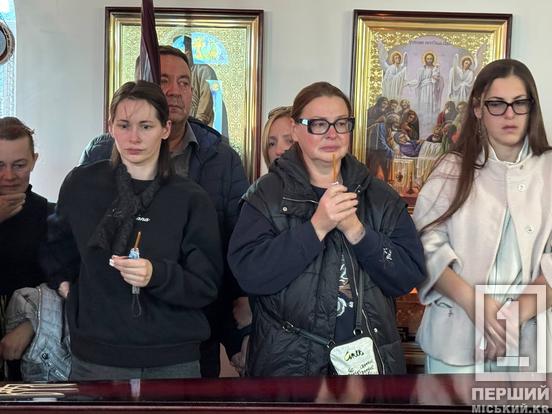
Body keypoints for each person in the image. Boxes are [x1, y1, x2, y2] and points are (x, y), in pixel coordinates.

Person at [228, 81, 426, 376]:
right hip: (289, 366)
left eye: (341, 123)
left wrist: (358, 232)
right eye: (319, 124)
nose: (332, 134)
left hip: (368, 363)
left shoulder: (380, 197)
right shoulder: (266, 196)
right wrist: (316, 227)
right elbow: (249, 275)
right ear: (296, 130)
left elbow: (407, 276)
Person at [79, 45, 250, 378]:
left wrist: (237, 316)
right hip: (112, 333)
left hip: (191, 329)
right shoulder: (101, 153)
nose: (175, 91)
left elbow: (236, 240)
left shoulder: (220, 157)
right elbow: (76, 234)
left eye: (184, 82)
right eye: (164, 80)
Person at [44, 81, 223, 380]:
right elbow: (55, 248)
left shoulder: (190, 198)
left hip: (171, 358)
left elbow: (205, 285)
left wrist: (157, 274)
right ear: (110, 126)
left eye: (146, 126)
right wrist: (68, 290)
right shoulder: (81, 184)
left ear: (165, 129)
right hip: (96, 355)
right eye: (124, 125)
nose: (134, 137)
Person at [412, 59, 552, 374]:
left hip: (532, 342)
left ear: (531, 107)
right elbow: (424, 246)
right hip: (455, 337)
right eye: (497, 104)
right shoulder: (451, 168)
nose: (509, 114)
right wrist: (476, 304)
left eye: (519, 103)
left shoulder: (549, 169)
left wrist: (515, 315)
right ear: (478, 108)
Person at [0, 117, 54, 380]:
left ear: (34, 160)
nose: (8, 176)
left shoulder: (51, 216)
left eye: (19, 165)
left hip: (32, 354)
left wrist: (32, 323)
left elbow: (67, 281)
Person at [411, 52, 444, 135]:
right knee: (424, 105)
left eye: (431, 59)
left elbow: (439, 79)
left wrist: (437, 79)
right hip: (423, 90)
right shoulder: (421, 69)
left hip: (432, 89)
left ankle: (431, 125)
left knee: (432, 105)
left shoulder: (435, 69)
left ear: (433, 59)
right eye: (428, 59)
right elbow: (418, 81)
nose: (429, 60)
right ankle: (423, 124)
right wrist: (411, 84)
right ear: (425, 59)